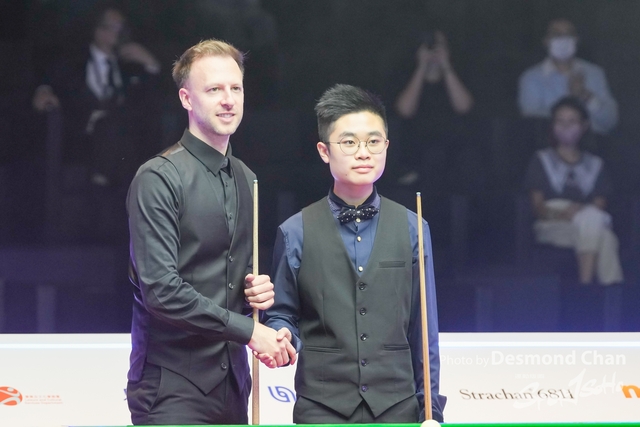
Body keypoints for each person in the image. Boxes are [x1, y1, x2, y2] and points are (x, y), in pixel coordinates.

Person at [125, 39, 295, 425]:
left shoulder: (246, 178)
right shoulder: (158, 177)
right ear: (186, 98)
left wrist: (255, 295)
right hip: (171, 390)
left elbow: (233, 279)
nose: (228, 100)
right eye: (214, 89)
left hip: (234, 386)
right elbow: (161, 292)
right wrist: (249, 331)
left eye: (236, 88)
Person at [261, 84, 445, 423]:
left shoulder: (413, 227)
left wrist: (430, 409)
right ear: (324, 151)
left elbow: (425, 329)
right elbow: (282, 314)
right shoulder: (294, 231)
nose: (363, 153)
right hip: (321, 409)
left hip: (397, 408)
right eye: (349, 142)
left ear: (386, 146)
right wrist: (282, 334)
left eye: (373, 142)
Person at [32, 6, 163, 243]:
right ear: (98, 31)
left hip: (122, 140)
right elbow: (49, 78)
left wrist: (151, 64)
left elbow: (156, 99)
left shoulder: (130, 66)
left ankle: (101, 192)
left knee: (116, 129)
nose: (117, 34)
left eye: (121, 29)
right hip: (82, 137)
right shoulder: (75, 60)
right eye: (111, 28)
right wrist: (44, 90)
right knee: (110, 130)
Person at [523, 96, 623, 285]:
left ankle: (588, 289)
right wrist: (562, 215)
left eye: (571, 121)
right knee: (605, 236)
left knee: (596, 225)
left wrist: (580, 214)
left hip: (586, 218)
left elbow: (600, 204)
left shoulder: (596, 164)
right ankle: (602, 292)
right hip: (552, 224)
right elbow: (538, 207)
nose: (565, 127)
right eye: (560, 121)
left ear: (584, 126)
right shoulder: (541, 159)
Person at [391, 30, 475, 191]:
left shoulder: (458, 75)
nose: (434, 50)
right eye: (429, 46)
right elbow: (405, 111)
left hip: (453, 151)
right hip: (417, 151)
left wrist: (446, 66)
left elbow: (464, 107)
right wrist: (421, 67)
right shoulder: (405, 75)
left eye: (440, 45)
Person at [518, 18, 618, 135]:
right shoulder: (531, 78)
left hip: (593, 142)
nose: (563, 39)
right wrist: (569, 107)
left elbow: (610, 122)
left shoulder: (595, 73)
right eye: (557, 34)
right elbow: (532, 122)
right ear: (546, 41)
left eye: (569, 34)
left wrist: (585, 96)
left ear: (576, 40)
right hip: (549, 143)